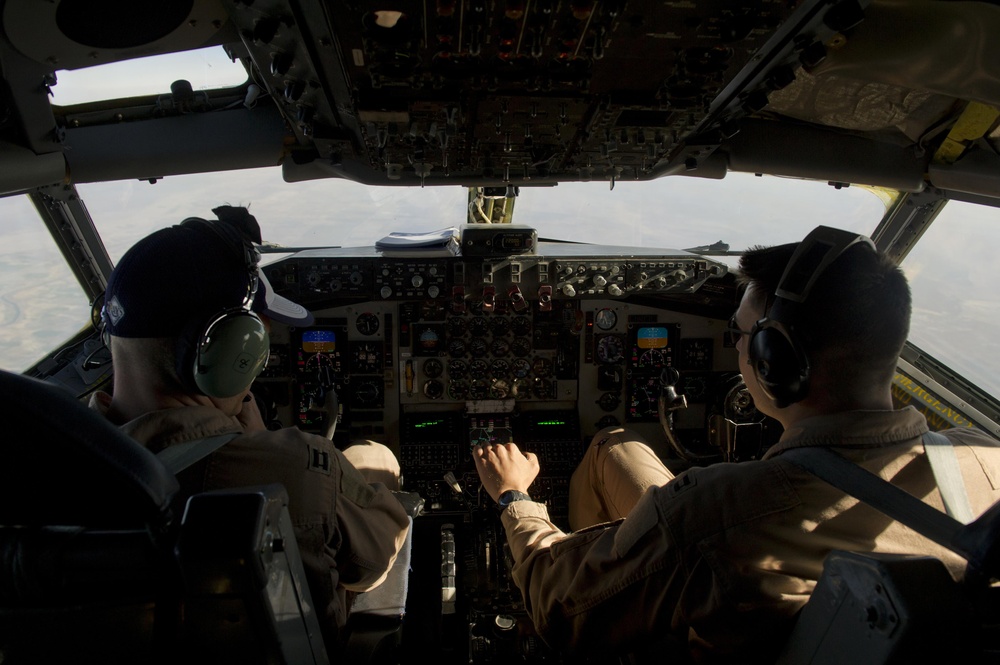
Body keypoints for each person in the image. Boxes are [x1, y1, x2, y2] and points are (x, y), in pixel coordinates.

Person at [472, 225, 1000, 662]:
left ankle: (612, 587)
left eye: (741, 334)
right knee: (615, 444)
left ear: (778, 361)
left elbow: (554, 607)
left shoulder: (712, 511)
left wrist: (515, 498)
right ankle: (619, 556)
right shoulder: (986, 461)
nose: (736, 347)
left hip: (700, 608)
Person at [89, 205, 410, 654]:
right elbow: (376, 562)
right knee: (375, 457)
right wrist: (263, 448)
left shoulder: (44, 459)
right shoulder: (292, 468)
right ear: (228, 353)